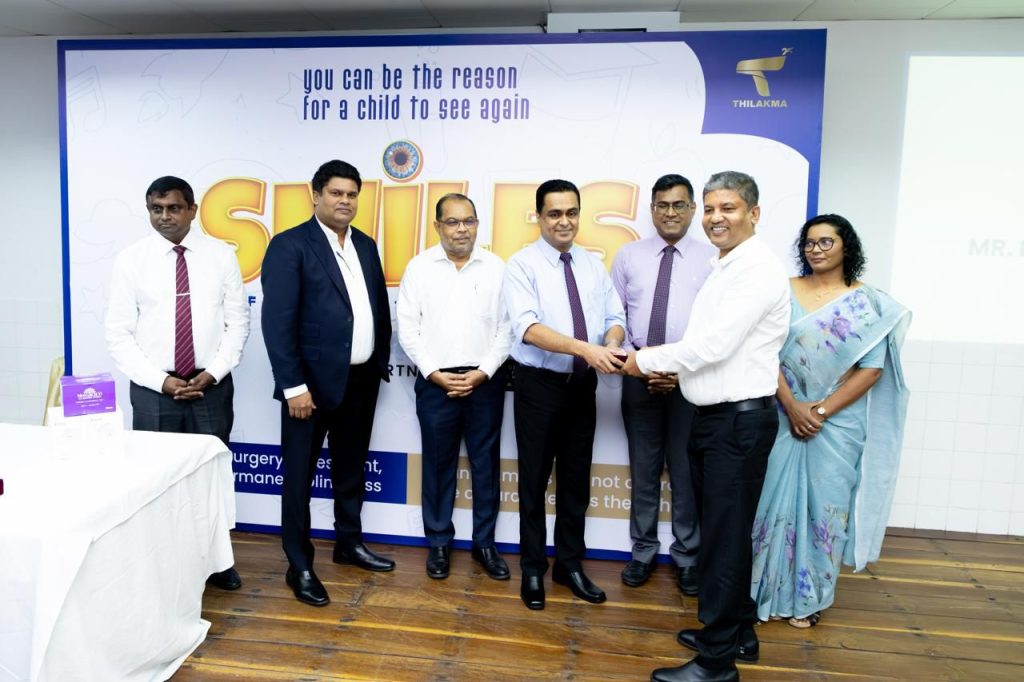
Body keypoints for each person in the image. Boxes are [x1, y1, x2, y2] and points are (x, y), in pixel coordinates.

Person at [623, 171, 790, 682]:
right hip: (715, 420)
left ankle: (716, 663)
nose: (717, 218)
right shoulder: (728, 264)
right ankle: (737, 633)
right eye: (712, 208)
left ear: (753, 214)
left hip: (736, 424)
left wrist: (642, 360)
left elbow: (713, 346)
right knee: (727, 537)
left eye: (729, 209)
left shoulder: (755, 269)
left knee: (723, 542)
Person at [750, 214, 911, 628]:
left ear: (846, 247)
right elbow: (764, 352)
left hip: (836, 424)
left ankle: (809, 599)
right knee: (768, 504)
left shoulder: (868, 305)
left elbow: (871, 370)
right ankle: (762, 593)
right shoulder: (783, 291)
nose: (815, 249)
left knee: (827, 510)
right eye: (809, 242)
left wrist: (819, 411)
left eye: (826, 242)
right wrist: (792, 405)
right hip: (781, 414)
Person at [106, 175, 250, 591]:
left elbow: (238, 322)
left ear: (192, 209)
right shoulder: (131, 260)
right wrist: (161, 382)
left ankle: (217, 561)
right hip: (155, 390)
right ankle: (161, 566)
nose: (165, 217)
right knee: (156, 481)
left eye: (173, 208)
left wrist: (214, 371)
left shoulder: (221, 256)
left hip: (211, 385)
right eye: (156, 209)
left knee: (210, 478)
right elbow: (118, 334)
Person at [261, 159, 393, 607]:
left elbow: (377, 308)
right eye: (336, 193)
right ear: (315, 195)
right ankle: (298, 564)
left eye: (352, 194)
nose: (345, 201)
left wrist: (378, 362)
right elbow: (277, 322)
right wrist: (293, 386)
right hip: (310, 389)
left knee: (351, 469)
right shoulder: (290, 245)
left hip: (360, 381)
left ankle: (348, 543)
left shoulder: (366, 245)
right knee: (298, 478)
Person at [503, 179, 627, 611]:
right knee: (534, 481)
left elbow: (614, 316)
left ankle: (569, 565)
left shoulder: (592, 265)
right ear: (539, 216)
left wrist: (612, 342)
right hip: (538, 386)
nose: (564, 221)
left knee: (576, 483)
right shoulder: (522, 265)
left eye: (571, 212)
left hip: (582, 388)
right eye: (554, 213)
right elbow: (528, 328)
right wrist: (586, 349)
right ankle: (533, 569)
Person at [397, 193, 512, 581]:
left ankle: (485, 544)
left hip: (485, 382)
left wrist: (484, 372)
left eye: (469, 221)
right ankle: (439, 543)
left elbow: (507, 328)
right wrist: (433, 372)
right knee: (437, 464)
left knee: (486, 465)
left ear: (477, 224)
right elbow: (407, 328)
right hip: (436, 383)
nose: (462, 229)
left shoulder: (496, 268)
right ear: (437, 226)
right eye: (453, 222)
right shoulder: (419, 268)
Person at [611, 174, 715, 595]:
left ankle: (687, 556)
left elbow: (715, 328)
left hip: (690, 380)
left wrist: (676, 369)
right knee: (644, 469)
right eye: (662, 205)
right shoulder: (628, 256)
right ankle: (643, 552)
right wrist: (636, 363)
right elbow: (614, 316)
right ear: (652, 209)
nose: (670, 212)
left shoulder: (714, 259)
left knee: (686, 473)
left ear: (692, 209)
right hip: (639, 376)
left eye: (679, 205)